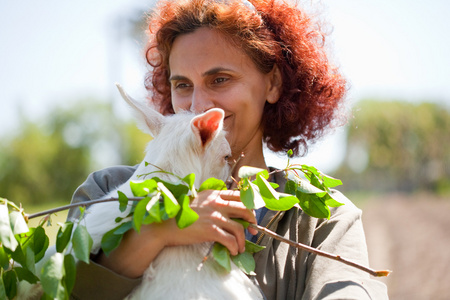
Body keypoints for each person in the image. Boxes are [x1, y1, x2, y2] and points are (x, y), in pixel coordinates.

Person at [68, 0, 388, 299]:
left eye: (220, 79)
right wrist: (159, 231)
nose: (197, 105)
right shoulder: (106, 190)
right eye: (182, 85)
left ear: (273, 84)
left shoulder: (320, 219)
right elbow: (64, 288)